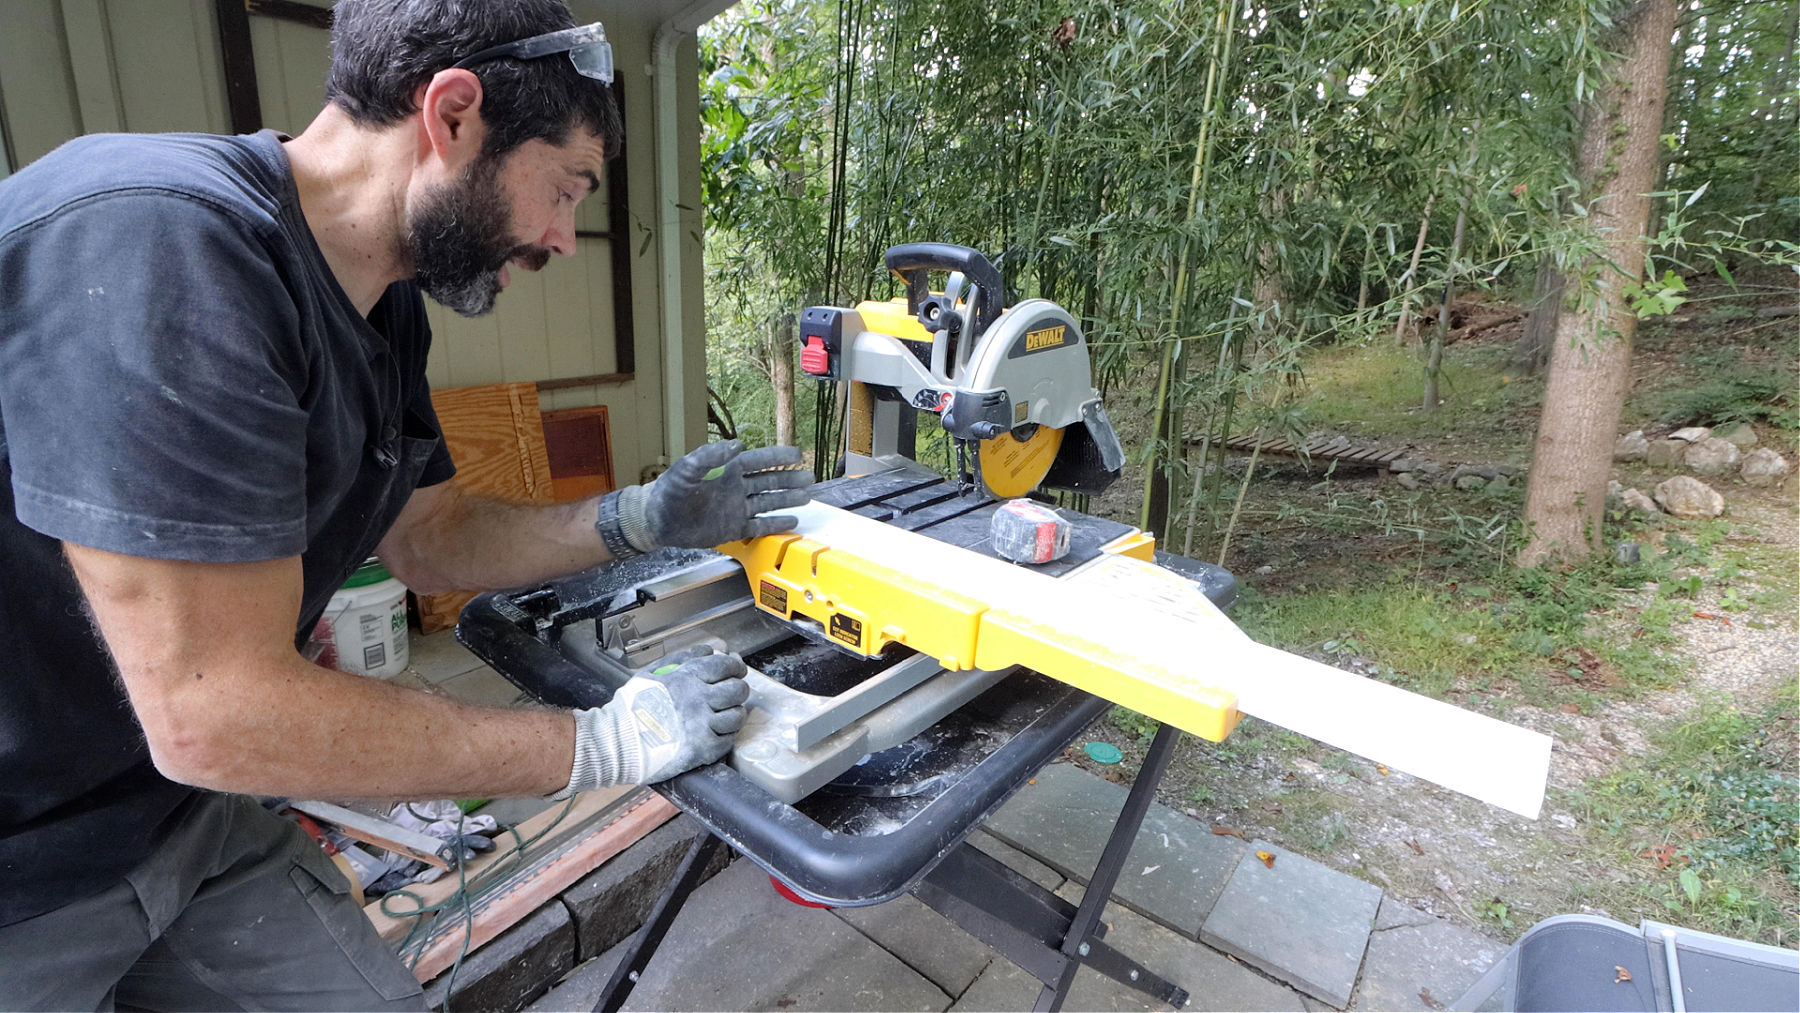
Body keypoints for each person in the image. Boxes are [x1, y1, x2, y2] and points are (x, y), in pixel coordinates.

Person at [0, 1, 811, 1007]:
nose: (565, 237)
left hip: (179, 815)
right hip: (25, 869)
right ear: (455, 111)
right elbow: (213, 710)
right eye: (565, 188)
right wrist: (599, 743)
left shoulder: (381, 305)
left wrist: (636, 519)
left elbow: (429, 535)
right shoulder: (165, 245)